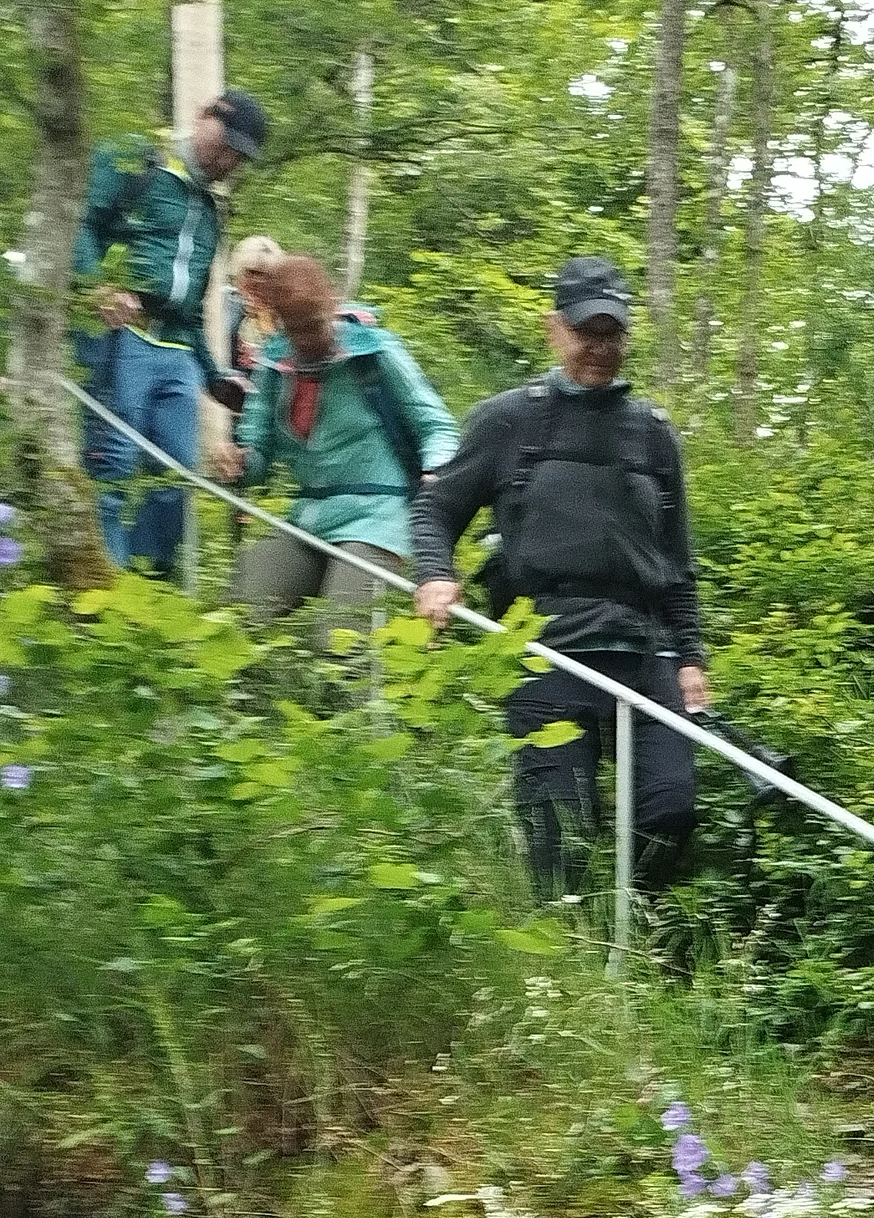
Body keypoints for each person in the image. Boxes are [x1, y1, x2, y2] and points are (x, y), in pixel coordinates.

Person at [409, 257, 709, 901]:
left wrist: (691, 656)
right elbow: (436, 508)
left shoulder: (653, 434)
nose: (600, 347)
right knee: (559, 831)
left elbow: (677, 561)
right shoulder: (508, 420)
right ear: (554, 330)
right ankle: (570, 938)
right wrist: (435, 574)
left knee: (670, 806)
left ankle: (634, 923)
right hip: (544, 647)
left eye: (612, 333)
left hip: (644, 647)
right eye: (585, 332)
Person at [72, 89, 271, 575]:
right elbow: (80, 224)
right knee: (113, 464)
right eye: (226, 144)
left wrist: (215, 377)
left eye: (240, 156)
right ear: (203, 118)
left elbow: (191, 307)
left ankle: (149, 583)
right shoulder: (135, 161)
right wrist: (96, 287)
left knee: (176, 476)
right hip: (119, 336)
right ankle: (106, 594)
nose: (228, 161)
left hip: (176, 351)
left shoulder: (211, 212)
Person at [217, 256, 458, 622]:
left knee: (341, 638)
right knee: (236, 616)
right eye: (296, 329)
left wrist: (436, 472)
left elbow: (436, 425)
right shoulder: (273, 367)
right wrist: (239, 461)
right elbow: (257, 452)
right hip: (309, 519)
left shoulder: (375, 353)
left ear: (331, 304)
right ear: (279, 321)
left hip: (377, 517)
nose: (309, 339)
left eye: (315, 324)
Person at [225, 234, 287, 403]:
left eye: (265, 275)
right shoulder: (226, 306)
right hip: (231, 395)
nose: (257, 281)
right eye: (251, 273)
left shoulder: (285, 314)